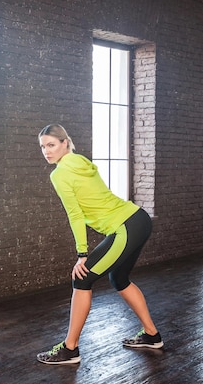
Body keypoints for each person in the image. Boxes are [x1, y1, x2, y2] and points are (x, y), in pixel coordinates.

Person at [36, 123, 163, 365]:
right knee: (119, 278)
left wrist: (82, 254)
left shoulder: (60, 173)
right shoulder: (80, 161)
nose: (47, 151)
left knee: (82, 279)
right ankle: (151, 334)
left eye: (51, 145)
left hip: (124, 226)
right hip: (138, 219)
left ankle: (70, 349)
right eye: (43, 147)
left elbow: (74, 215)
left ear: (65, 142)